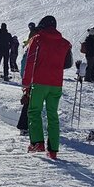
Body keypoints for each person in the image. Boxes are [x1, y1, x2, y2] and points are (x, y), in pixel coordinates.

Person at [22, 15, 73, 159]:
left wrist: (26, 83)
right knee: (53, 115)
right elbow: (67, 64)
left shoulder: (37, 39)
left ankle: (37, 142)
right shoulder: (65, 43)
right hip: (56, 84)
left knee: (34, 111)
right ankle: (53, 149)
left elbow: (30, 62)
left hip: (39, 82)